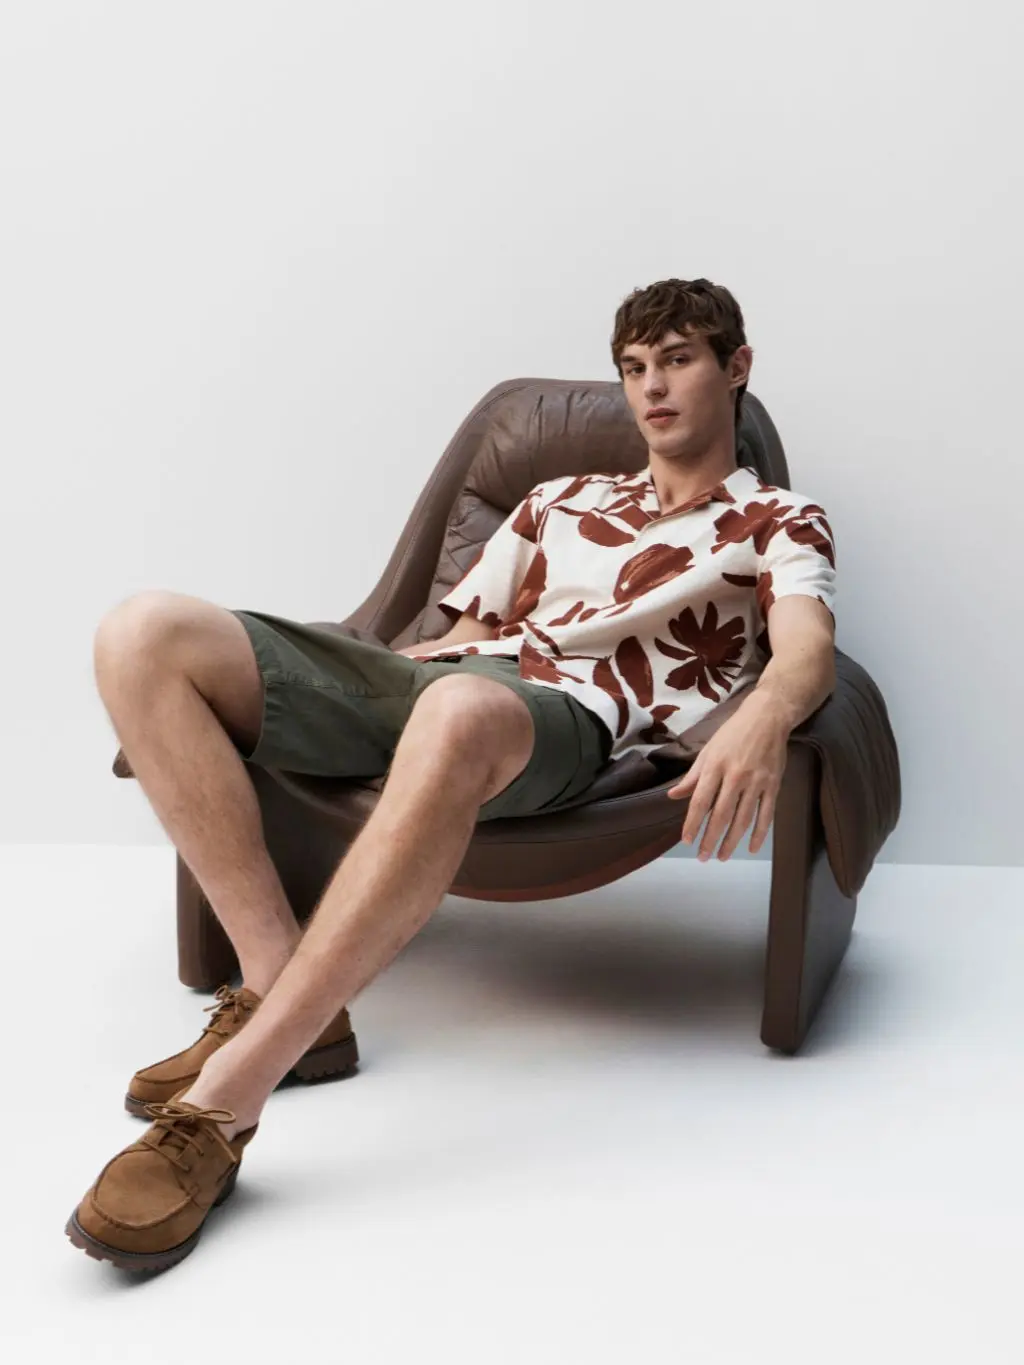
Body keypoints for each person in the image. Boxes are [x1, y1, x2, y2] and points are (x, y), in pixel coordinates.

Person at [67, 277, 837, 1272]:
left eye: (679, 360)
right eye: (635, 368)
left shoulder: (779, 519)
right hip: (445, 684)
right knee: (143, 633)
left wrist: (763, 714)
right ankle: (286, 999)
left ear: (735, 369)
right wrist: (385, 679)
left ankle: (225, 1106)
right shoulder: (559, 500)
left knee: (462, 706)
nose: (653, 388)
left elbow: (807, 649)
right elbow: (461, 637)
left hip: (571, 721)